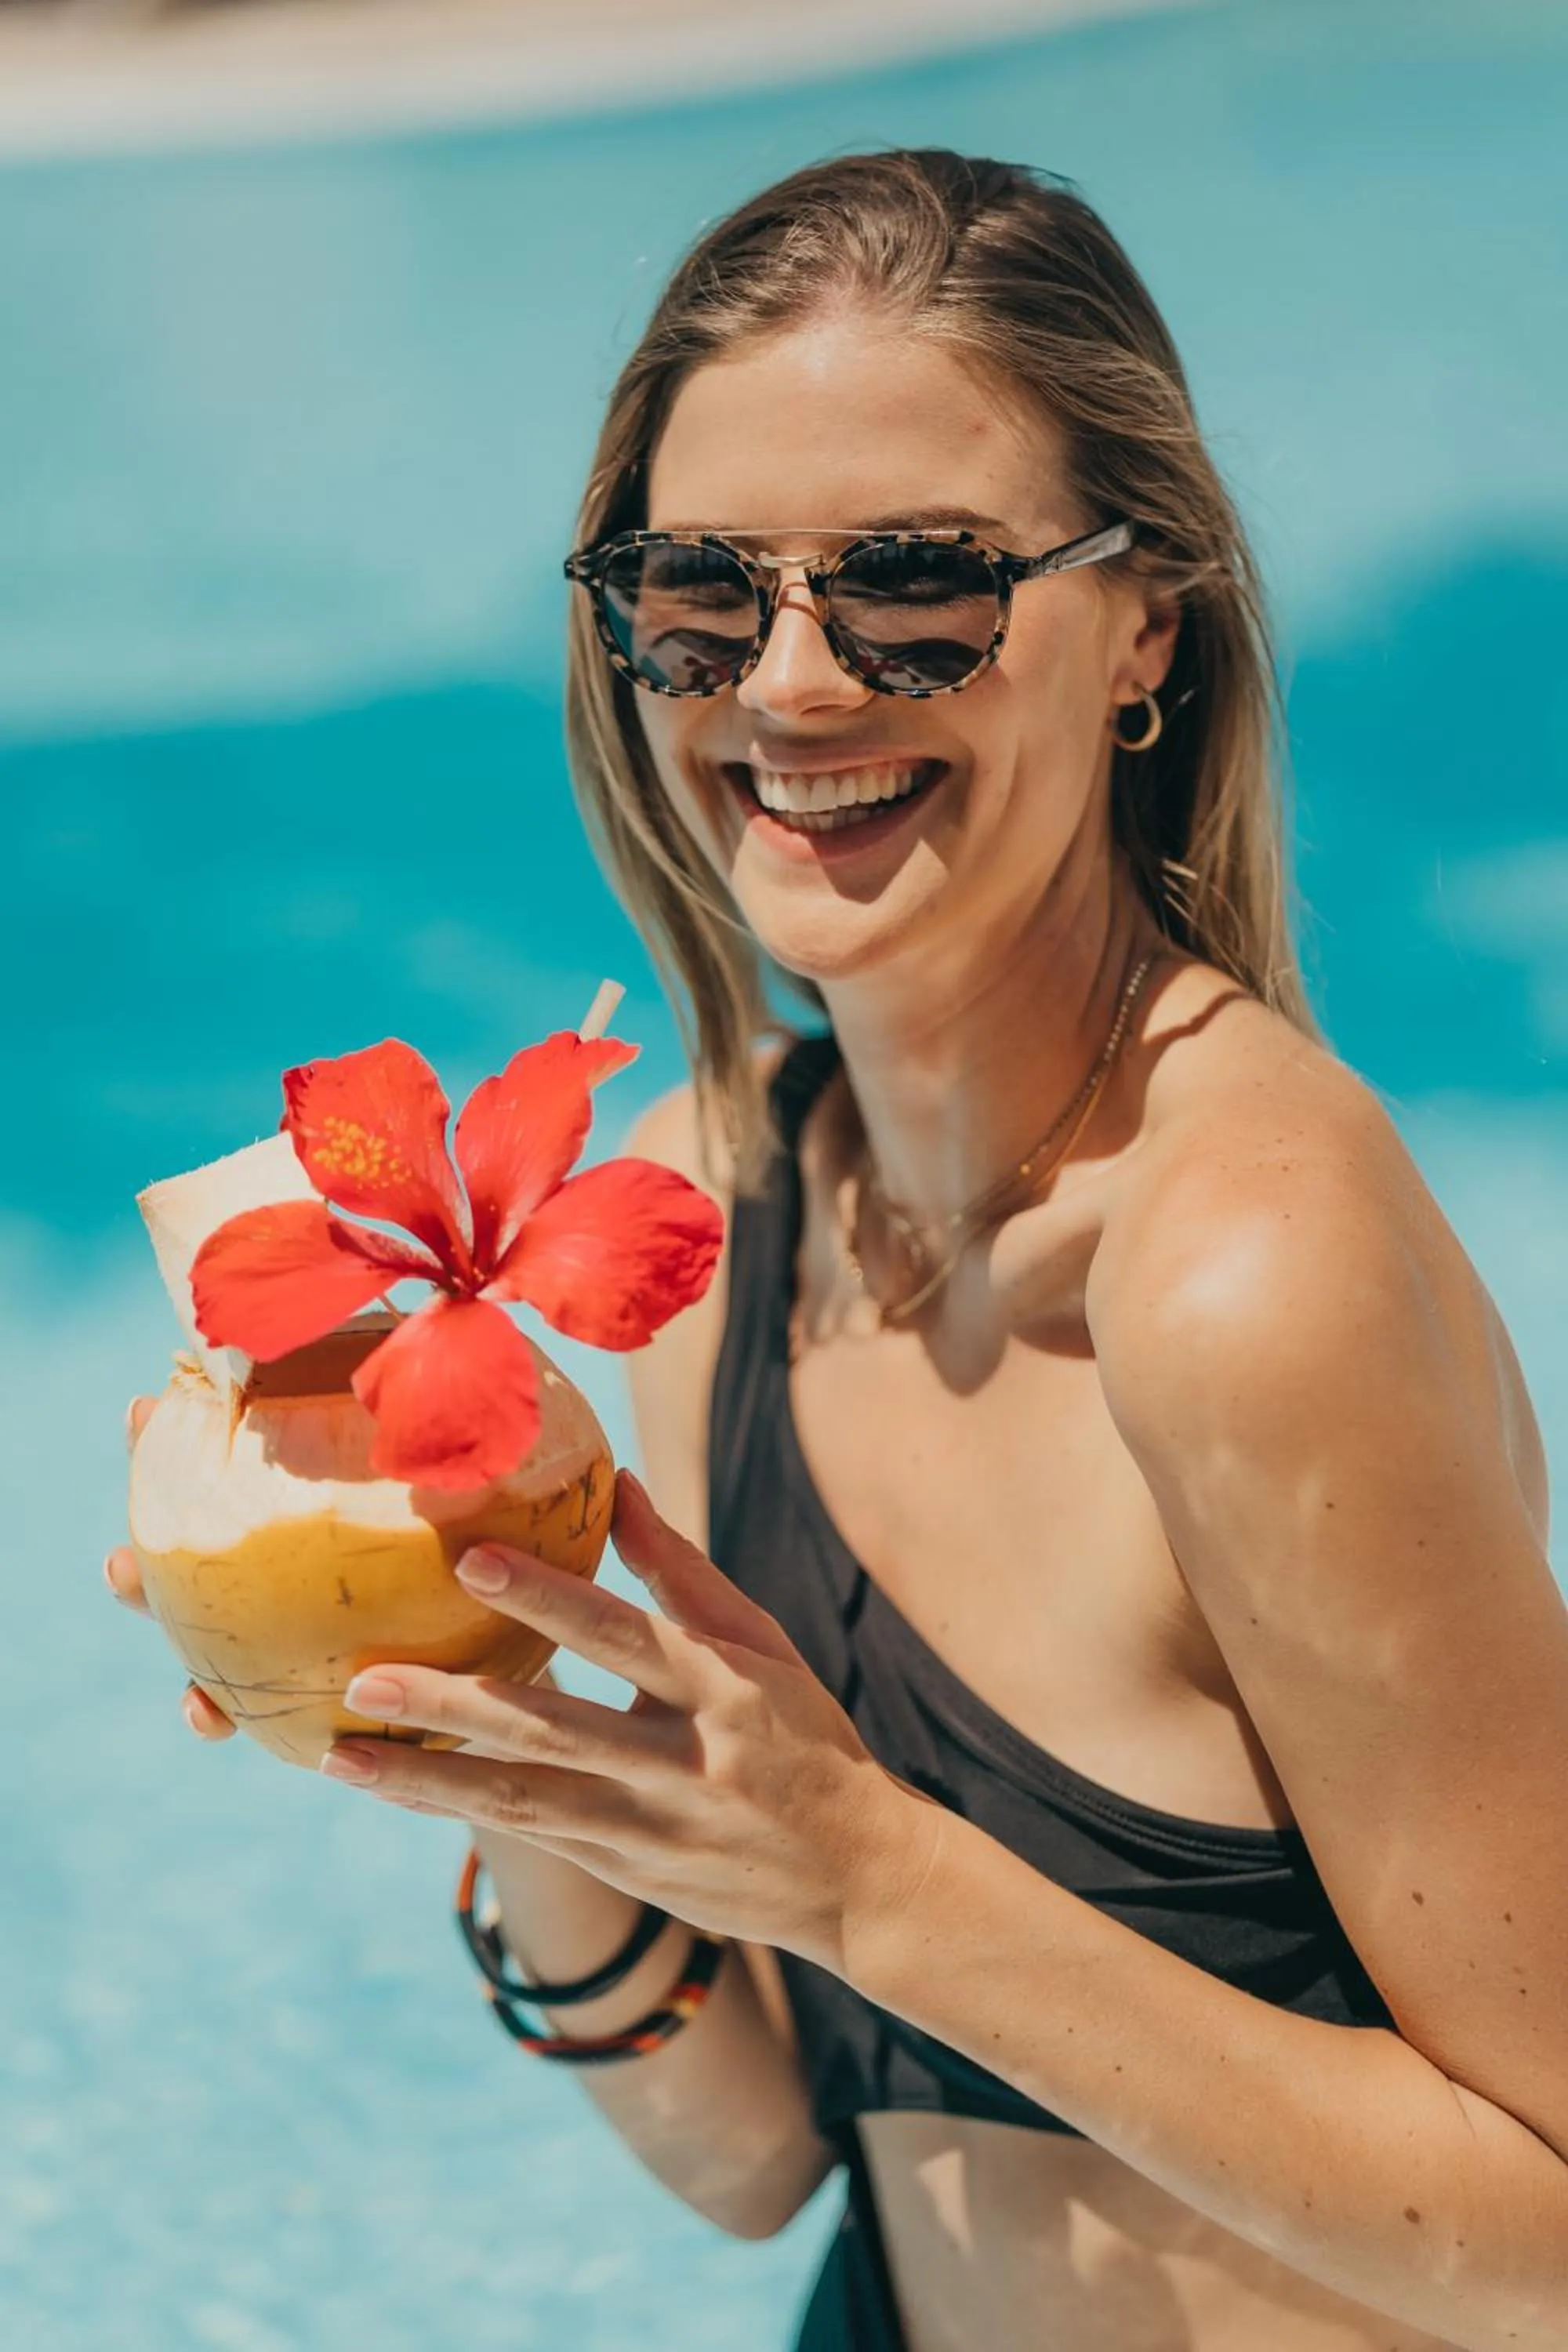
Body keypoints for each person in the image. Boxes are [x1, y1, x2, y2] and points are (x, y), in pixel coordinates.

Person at [107, 151, 1568, 2352]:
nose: (790, 689)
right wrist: (466, 1715)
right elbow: (758, 2155)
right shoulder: (723, 1214)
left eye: (916, 587)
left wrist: (873, 1880)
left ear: (1146, 624)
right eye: (699, 595)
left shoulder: (1245, 1278)